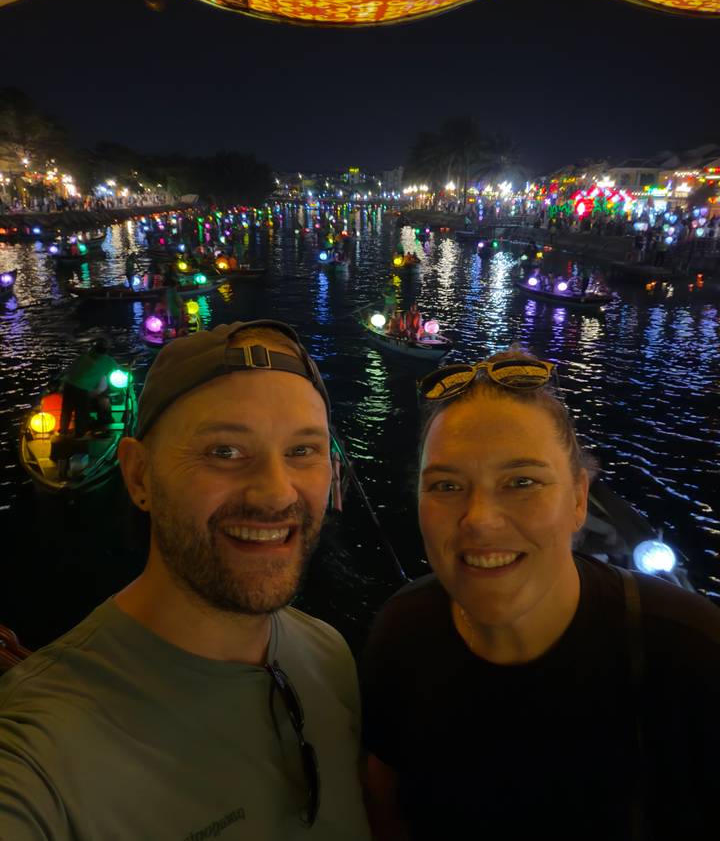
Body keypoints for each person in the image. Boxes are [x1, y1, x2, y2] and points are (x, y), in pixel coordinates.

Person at [0, 321, 372, 840]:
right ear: (138, 476)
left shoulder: (329, 655)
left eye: (302, 451)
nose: (274, 493)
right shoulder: (40, 748)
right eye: (224, 450)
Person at [361, 348, 720, 840]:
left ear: (578, 501)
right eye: (446, 486)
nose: (480, 519)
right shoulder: (401, 634)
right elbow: (387, 802)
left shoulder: (692, 653)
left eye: (522, 481)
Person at [58, 337, 118, 436]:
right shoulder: (108, 361)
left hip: (69, 385)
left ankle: (63, 432)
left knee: (66, 410)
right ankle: (80, 434)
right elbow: (118, 369)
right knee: (81, 412)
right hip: (83, 389)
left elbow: (70, 369)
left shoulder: (85, 356)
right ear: (107, 350)